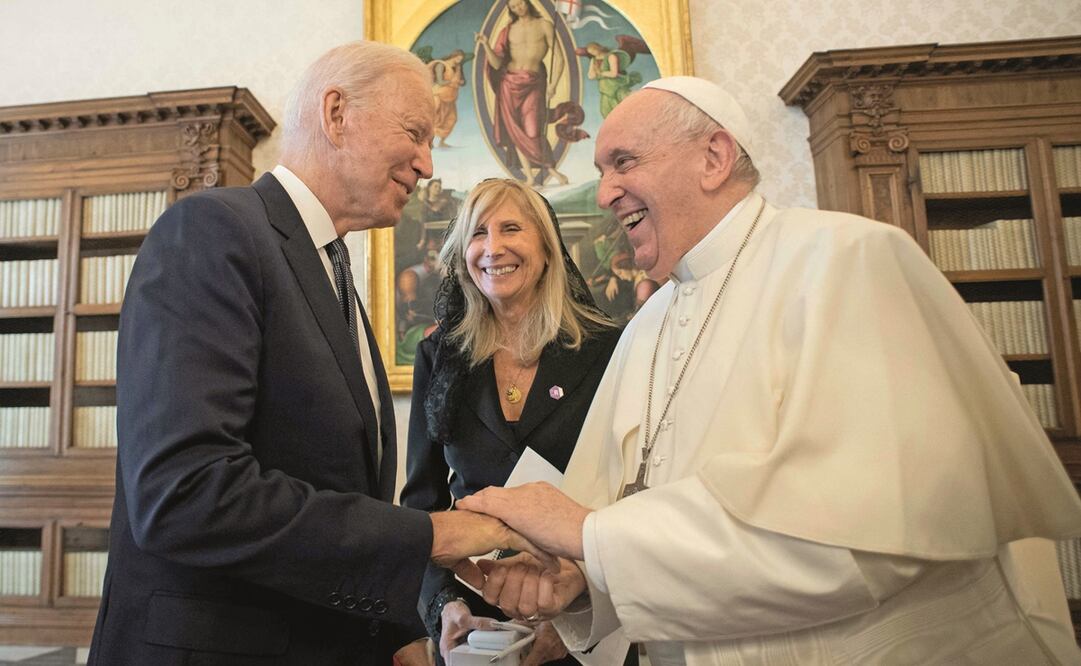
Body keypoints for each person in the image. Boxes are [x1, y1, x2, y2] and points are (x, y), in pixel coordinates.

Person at [458, 76, 1081, 664]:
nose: (603, 193)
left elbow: (859, 539)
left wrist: (593, 540)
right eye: (599, 171)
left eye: (624, 162)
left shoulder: (846, 260)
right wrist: (580, 580)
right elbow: (619, 521)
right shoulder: (647, 324)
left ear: (714, 157)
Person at [88, 41, 547, 666]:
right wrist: (431, 533)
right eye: (414, 132)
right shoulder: (214, 232)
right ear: (336, 114)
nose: (428, 163)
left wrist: (396, 634)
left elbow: (329, 488)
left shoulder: (334, 277)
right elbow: (185, 494)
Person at [399, 179, 630, 665]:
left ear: (547, 249)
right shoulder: (438, 356)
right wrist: (446, 607)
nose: (492, 248)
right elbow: (423, 502)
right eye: (478, 233)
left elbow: (630, 492)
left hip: (587, 613)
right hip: (474, 630)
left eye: (510, 229)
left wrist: (574, 608)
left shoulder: (612, 349)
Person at [475, 0, 570, 186]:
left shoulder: (544, 25)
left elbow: (559, 58)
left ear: (527, 3)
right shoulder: (508, 30)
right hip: (508, 83)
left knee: (532, 129)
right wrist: (486, 45)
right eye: (513, 6)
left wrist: (554, 84)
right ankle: (529, 177)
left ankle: (551, 169)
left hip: (533, 83)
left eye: (520, 3)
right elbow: (496, 64)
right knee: (514, 131)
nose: (518, 8)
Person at [429, 50, 469, 148]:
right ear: (454, 56)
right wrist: (453, 82)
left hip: (450, 97)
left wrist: (461, 82)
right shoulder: (441, 65)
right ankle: (429, 141)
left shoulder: (458, 67)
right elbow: (440, 81)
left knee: (452, 119)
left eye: (461, 59)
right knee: (434, 118)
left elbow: (462, 81)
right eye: (458, 58)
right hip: (438, 94)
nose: (459, 60)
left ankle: (442, 142)